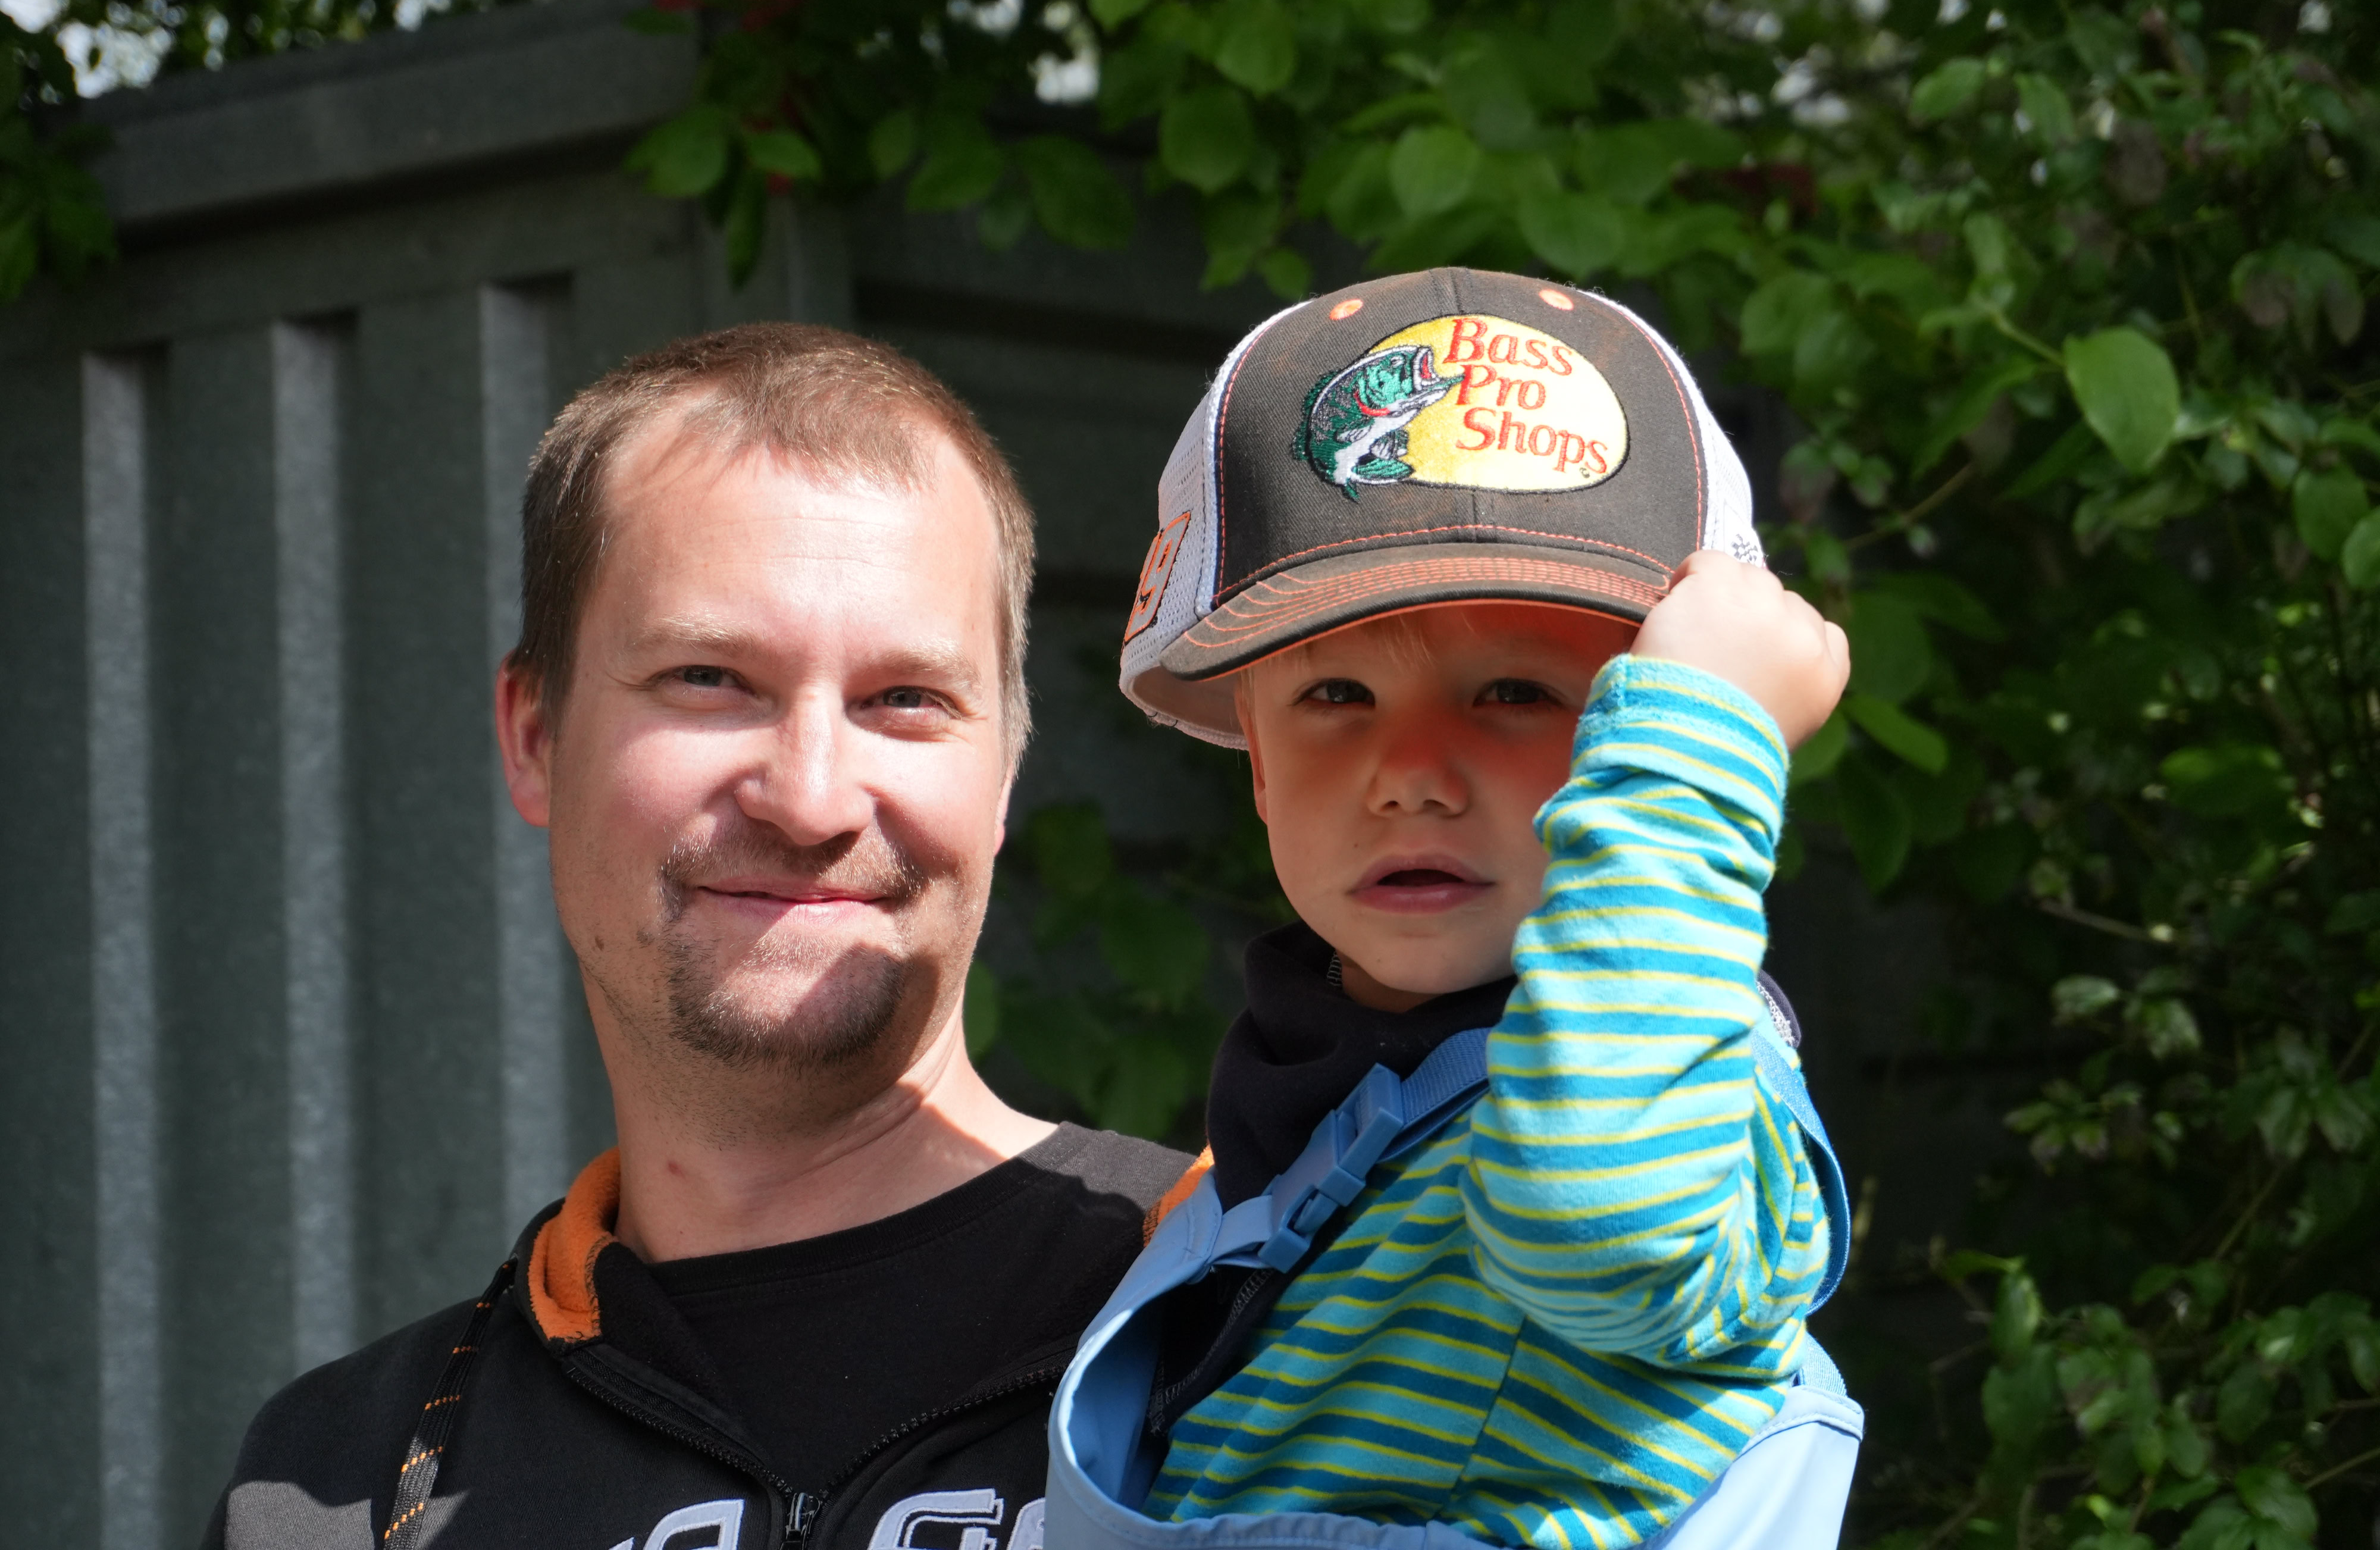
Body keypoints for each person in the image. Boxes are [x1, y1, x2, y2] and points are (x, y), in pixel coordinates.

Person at [206, 325, 1192, 1550]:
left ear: (1003, 773)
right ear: (535, 736)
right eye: (708, 679)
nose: (811, 799)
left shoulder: (1253, 1322)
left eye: (905, 699)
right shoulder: (339, 1489)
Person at [1048, 268, 1858, 1549]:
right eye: (1335, 697)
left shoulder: (1673, 1093)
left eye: (1516, 695)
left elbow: (1605, 1234)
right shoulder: (1314, 1095)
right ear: (1256, 762)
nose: (1412, 774)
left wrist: (1697, 753)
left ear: (1651, 731)